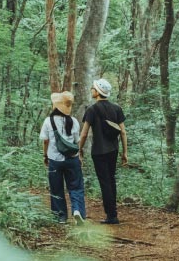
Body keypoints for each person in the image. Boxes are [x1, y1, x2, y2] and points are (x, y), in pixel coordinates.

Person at [79, 78, 128, 224]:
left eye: (93, 88)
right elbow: (123, 132)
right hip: (113, 150)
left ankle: (111, 216)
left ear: (98, 91)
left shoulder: (92, 109)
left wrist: (79, 149)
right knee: (111, 180)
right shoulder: (117, 108)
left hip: (99, 152)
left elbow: (84, 134)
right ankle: (113, 213)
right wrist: (125, 152)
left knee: (105, 182)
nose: (91, 90)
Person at [39, 91, 86, 223]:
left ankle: (61, 216)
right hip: (72, 159)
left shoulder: (48, 121)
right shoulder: (74, 121)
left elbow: (45, 141)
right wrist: (79, 156)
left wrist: (45, 155)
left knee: (56, 187)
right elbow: (77, 142)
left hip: (55, 159)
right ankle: (77, 210)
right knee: (76, 187)